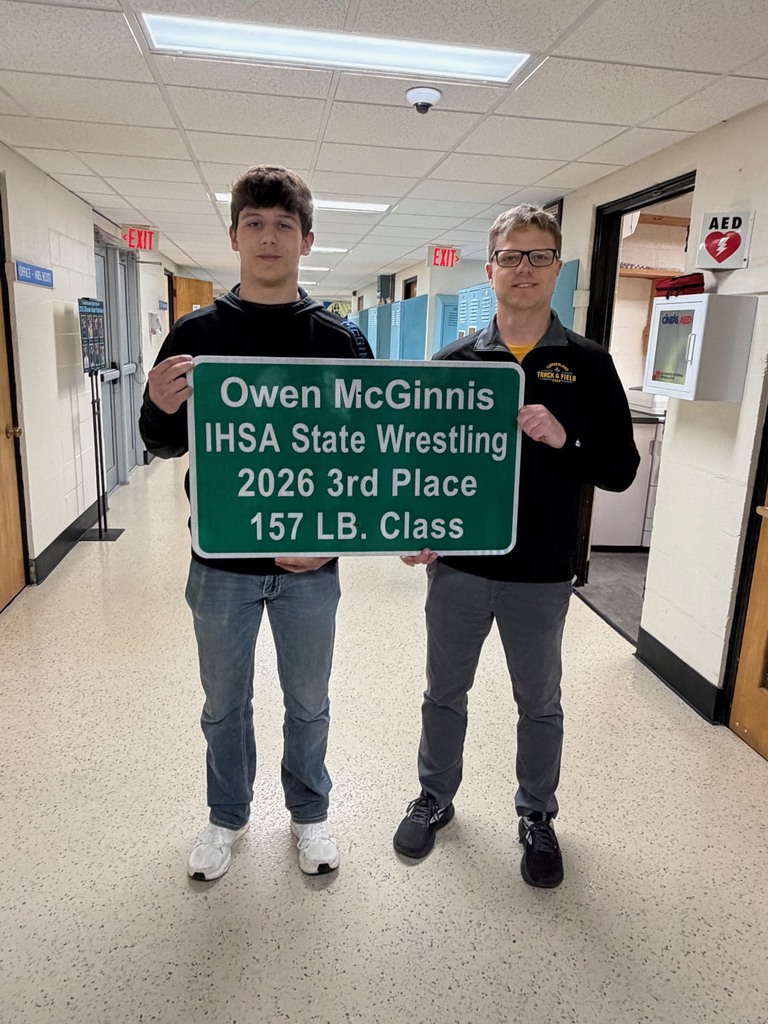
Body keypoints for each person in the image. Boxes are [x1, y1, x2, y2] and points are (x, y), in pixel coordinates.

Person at [393, 204, 640, 888]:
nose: (523, 269)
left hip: (542, 571)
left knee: (539, 702)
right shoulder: (455, 362)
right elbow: (422, 462)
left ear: (556, 269)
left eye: (538, 257)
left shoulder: (588, 364)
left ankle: (536, 814)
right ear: (491, 268)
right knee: (445, 693)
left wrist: (567, 438)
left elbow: (622, 469)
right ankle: (434, 797)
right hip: (461, 568)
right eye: (510, 256)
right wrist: (416, 525)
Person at [139, 165, 372, 881]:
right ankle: (227, 816)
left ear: (306, 240)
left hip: (311, 566)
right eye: (254, 224)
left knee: (308, 702)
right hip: (221, 564)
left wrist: (333, 539)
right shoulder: (196, 333)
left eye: (283, 226)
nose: (269, 237)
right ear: (235, 235)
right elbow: (163, 443)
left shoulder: (341, 340)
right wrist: (158, 402)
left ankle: (310, 813)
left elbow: (368, 458)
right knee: (223, 704)